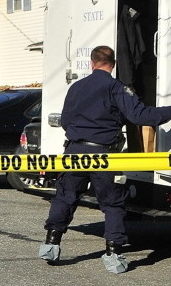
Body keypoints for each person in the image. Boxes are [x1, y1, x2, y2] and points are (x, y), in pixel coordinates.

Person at [38, 45, 171, 273]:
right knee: (111, 203)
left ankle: (51, 244)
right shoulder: (116, 88)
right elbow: (140, 116)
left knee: (65, 197)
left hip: (74, 151)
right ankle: (113, 255)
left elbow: (66, 121)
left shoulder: (76, 87)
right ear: (114, 63)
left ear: (92, 63)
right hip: (103, 154)